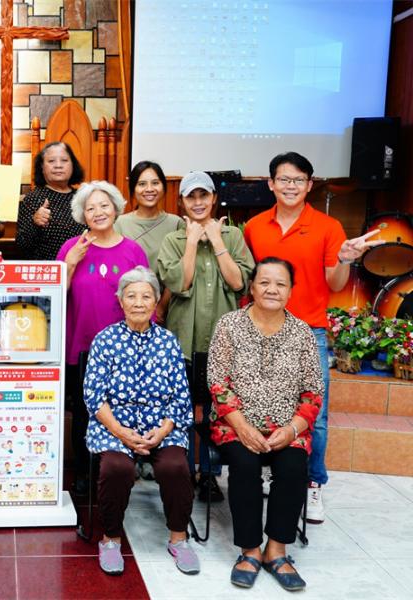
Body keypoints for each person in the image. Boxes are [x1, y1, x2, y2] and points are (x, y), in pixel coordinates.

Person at [243, 152, 382, 524]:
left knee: (314, 414)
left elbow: (335, 283)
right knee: (258, 403)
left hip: (309, 333)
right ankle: (265, 470)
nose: (291, 186)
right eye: (284, 179)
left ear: (309, 185)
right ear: (270, 183)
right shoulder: (254, 227)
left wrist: (347, 259)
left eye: (298, 180)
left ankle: (314, 483)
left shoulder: (328, 227)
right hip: (260, 330)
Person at [207, 257, 323, 592]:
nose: (272, 289)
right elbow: (218, 382)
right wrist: (243, 427)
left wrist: (293, 429)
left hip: (288, 427)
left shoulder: (302, 332)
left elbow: (313, 390)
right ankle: (249, 550)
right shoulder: (229, 325)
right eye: (265, 282)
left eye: (280, 283)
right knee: (244, 465)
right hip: (236, 424)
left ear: (290, 290)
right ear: (252, 287)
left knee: (293, 466)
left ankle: (277, 550)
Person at [84, 266, 197, 576]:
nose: (138, 302)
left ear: (156, 302)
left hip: (161, 424)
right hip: (115, 424)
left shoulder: (168, 342)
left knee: (175, 466)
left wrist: (162, 431)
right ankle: (110, 539)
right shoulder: (105, 340)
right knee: (116, 468)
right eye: (131, 296)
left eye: (146, 296)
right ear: (120, 301)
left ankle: (179, 538)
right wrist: (121, 432)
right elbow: (94, 396)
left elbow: (180, 396)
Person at [157, 171, 255, 503]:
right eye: (190, 197)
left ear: (214, 199)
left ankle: (210, 475)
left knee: (217, 409)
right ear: (181, 201)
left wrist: (216, 241)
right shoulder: (173, 239)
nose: (197, 202)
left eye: (204, 196)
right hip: (183, 338)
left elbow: (239, 283)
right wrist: (190, 242)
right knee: (183, 409)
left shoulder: (232, 236)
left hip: (224, 340)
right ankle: (183, 473)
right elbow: (179, 284)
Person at [56, 181, 149, 495]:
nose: (98, 212)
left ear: (116, 208)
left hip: (124, 348)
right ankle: (84, 472)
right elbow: (54, 297)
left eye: (104, 205)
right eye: (90, 207)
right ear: (82, 214)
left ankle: (119, 470)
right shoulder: (71, 247)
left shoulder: (133, 250)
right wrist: (70, 264)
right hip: (81, 345)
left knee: (122, 406)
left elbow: (143, 299)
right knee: (84, 412)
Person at [114, 160, 182, 323]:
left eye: (155, 183)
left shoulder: (176, 223)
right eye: (142, 184)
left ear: (163, 187)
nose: (149, 189)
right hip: (127, 309)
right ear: (133, 189)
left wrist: (161, 306)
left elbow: (178, 272)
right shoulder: (119, 223)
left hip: (166, 310)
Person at [16, 141, 86, 261]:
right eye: (51, 161)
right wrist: (35, 223)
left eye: (64, 160)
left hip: (83, 269)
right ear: (42, 167)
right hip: (48, 272)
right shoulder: (33, 199)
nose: (58, 165)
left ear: (72, 165)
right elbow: (21, 246)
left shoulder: (83, 197)